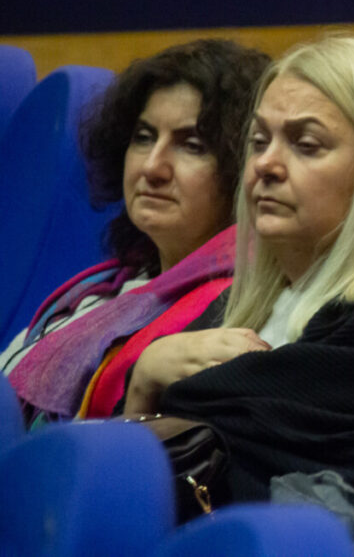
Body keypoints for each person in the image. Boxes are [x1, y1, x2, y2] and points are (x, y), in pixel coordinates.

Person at [119, 34, 354, 514]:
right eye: (259, 141)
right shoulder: (240, 304)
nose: (265, 165)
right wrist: (143, 381)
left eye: (306, 145)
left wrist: (155, 397)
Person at [2, 39, 270, 425]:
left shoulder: (238, 307)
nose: (152, 167)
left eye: (192, 146)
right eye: (144, 138)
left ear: (243, 167)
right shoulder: (102, 286)